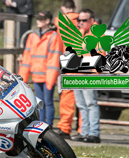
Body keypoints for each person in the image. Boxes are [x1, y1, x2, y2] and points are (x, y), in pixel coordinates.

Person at [18, 11, 63, 128]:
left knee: (48, 102)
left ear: (47, 21)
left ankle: (49, 127)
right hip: (37, 75)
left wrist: (51, 78)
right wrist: (22, 77)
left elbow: (54, 59)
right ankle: (41, 127)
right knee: (40, 104)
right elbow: (27, 57)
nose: (38, 21)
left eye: (41, 19)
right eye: (37, 19)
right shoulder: (32, 36)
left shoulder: (54, 37)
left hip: (48, 76)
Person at [70, 9, 102, 143]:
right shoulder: (81, 34)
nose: (80, 23)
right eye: (79, 20)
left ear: (91, 20)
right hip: (78, 75)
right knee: (82, 105)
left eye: (84, 20)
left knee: (91, 104)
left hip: (90, 75)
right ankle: (84, 133)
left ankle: (94, 134)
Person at [54, 0, 79, 139]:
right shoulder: (82, 22)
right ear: (74, 8)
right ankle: (82, 128)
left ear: (63, 8)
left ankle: (65, 128)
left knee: (67, 97)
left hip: (66, 62)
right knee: (82, 98)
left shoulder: (59, 22)